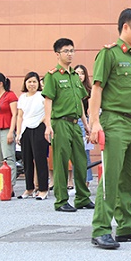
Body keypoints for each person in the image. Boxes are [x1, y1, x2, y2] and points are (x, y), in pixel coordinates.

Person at [88, 8, 131, 249]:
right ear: (125, 27)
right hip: (113, 121)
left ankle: (126, 226)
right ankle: (101, 228)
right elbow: (97, 89)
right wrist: (94, 122)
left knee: (130, 177)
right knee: (111, 177)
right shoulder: (109, 55)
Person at [42, 38, 94, 212]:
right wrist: (48, 124)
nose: (70, 54)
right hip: (60, 123)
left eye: (72, 50)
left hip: (74, 123)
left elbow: (79, 102)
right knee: (61, 161)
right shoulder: (52, 76)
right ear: (57, 54)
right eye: (66, 51)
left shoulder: (74, 76)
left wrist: (86, 124)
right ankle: (61, 200)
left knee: (80, 160)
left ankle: (82, 198)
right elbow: (48, 100)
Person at [15, 72, 49, 200]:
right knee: (27, 160)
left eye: (34, 81)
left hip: (39, 128)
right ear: (25, 83)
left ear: (38, 83)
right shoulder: (22, 97)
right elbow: (20, 115)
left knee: (40, 159)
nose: (32, 84)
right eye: (29, 81)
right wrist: (18, 133)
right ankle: (29, 188)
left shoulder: (42, 96)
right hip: (26, 129)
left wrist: (42, 122)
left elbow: (49, 111)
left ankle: (43, 189)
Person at [74, 64, 94, 187]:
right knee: (75, 154)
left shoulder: (89, 91)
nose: (79, 75)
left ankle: (85, 183)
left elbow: (90, 111)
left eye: (82, 73)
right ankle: (78, 183)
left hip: (84, 122)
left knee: (84, 154)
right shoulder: (71, 89)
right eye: (77, 73)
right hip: (73, 121)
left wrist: (89, 127)